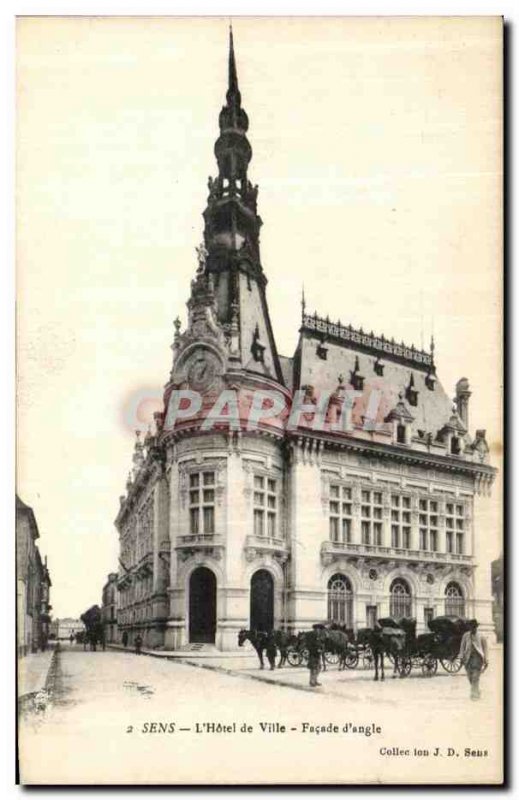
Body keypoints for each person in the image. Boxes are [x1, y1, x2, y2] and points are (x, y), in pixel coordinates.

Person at [457, 619, 488, 700]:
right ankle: (476, 690)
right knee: (470, 677)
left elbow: (485, 649)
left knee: (475, 677)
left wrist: (486, 659)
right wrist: (461, 657)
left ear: (476, 627)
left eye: (474, 627)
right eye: (471, 627)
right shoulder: (465, 635)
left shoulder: (482, 636)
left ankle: (474, 695)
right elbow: (462, 647)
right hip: (468, 659)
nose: (472, 629)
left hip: (478, 659)